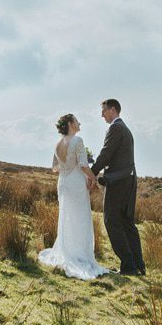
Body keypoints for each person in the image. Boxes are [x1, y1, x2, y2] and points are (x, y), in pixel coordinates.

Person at [36, 113, 110, 280]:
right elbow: (83, 165)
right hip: (76, 182)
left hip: (63, 182)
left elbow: (55, 168)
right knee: (81, 218)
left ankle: (67, 251)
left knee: (67, 217)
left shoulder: (57, 144)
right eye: (77, 121)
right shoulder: (77, 141)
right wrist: (93, 178)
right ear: (70, 124)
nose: (79, 123)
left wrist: (68, 164)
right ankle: (79, 256)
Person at [90, 98, 145, 276]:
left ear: (112, 110)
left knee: (111, 220)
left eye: (104, 111)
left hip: (119, 182)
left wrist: (91, 173)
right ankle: (138, 266)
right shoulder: (125, 129)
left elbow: (106, 154)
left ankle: (128, 266)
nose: (102, 114)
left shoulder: (116, 128)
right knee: (127, 223)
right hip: (128, 180)